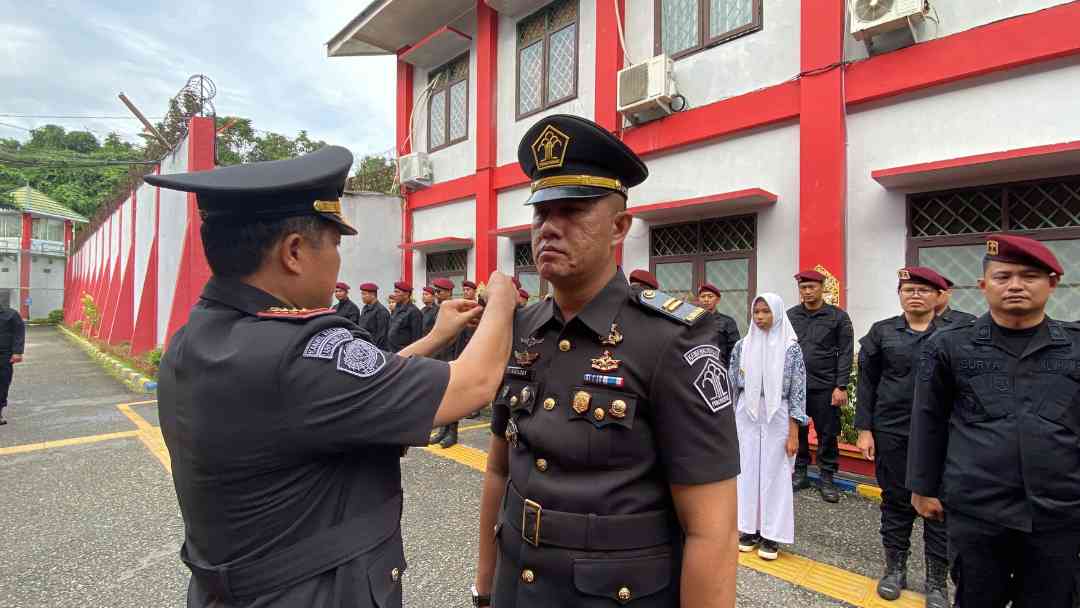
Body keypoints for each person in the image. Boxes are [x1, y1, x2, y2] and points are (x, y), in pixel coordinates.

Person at [145, 146, 516, 608]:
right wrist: (502, 300)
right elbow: (473, 384)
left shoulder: (196, 338)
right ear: (295, 252)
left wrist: (435, 336)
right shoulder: (298, 353)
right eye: (335, 244)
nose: (338, 261)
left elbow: (357, 387)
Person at [472, 115, 740, 608]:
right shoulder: (522, 328)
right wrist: (484, 588)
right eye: (540, 213)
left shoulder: (673, 338)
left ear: (619, 227)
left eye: (571, 211)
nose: (549, 228)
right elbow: (498, 469)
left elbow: (712, 530)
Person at [910, 234, 1080, 607]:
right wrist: (922, 487)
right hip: (978, 510)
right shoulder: (950, 346)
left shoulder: (1074, 346)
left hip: (1059, 512)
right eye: (1003, 277)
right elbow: (929, 418)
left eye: (1029, 276)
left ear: (1052, 283)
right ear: (984, 285)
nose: (1016, 285)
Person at [855, 266, 950, 607]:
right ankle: (895, 569)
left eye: (923, 290)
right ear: (899, 295)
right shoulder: (882, 333)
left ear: (938, 296)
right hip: (891, 430)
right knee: (895, 502)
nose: (915, 295)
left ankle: (938, 582)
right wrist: (865, 430)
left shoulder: (956, 332)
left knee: (939, 506)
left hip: (941, 435)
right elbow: (866, 383)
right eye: (908, 289)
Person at [730, 293, 807, 561]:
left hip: (778, 414)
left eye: (766, 312)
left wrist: (794, 431)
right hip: (746, 413)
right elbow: (732, 385)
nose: (760, 317)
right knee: (747, 470)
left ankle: (772, 535)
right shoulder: (743, 345)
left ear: (777, 313)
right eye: (756, 312)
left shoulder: (790, 348)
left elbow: (798, 391)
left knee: (775, 473)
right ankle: (748, 529)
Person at [786, 270, 854, 503]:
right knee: (799, 432)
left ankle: (827, 478)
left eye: (811, 287)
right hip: (797, 386)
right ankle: (801, 473)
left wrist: (841, 385)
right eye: (803, 288)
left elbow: (845, 352)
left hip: (826, 385)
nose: (807, 292)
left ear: (822, 287)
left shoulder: (838, 317)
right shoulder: (790, 316)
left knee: (827, 434)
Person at [428, 277, 461, 449]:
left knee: (452, 396)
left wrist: (458, 360)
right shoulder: (435, 310)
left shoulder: (456, 309)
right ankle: (443, 429)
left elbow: (460, 337)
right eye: (436, 291)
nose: (437, 294)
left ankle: (452, 433)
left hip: (452, 358)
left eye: (440, 291)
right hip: (438, 357)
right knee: (440, 396)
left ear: (449, 292)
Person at [697, 283, 741, 366]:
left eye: (710, 296)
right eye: (703, 296)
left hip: (720, 368)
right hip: (697, 368)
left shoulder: (728, 322)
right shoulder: (693, 321)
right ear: (699, 299)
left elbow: (734, 350)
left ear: (717, 300)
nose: (706, 299)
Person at [0, 301, 25, 425]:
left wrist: (17, 352)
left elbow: (19, 333)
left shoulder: (11, 315)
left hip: (4, 356)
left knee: (3, 384)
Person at [387, 281, 423, 353]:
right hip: (392, 351)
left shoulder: (414, 312)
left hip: (404, 353)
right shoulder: (396, 309)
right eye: (394, 292)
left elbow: (416, 338)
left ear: (406, 294)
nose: (395, 295)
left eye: (397, 292)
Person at [356, 282, 390, 350]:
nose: (362, 296)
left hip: (374, 349)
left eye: (364, 294)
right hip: (364, 346)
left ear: (373, 295)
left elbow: (381, 336)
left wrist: (374, 349)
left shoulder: (381, 311)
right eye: (362, 294)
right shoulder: (365, 308)